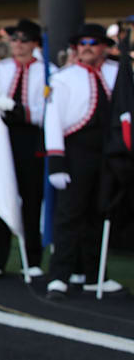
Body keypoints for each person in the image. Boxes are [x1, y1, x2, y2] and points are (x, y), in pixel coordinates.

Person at [44, 23, 124, 299]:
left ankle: (94, 275)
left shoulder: (119, 73)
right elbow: (52, 119)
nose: (87, 46)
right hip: (76, 151)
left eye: (93, 42)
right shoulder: (64, 78)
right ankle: (59, 277)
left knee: (99, 212)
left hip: (110, 151)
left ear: (104, 46)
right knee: (69, 214)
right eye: (82, 42)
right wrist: (56, 159)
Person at [0, 18, 48, 278]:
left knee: (31, 199)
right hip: (4, 136)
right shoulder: (1, 69)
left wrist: (22, 111)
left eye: (23, 40)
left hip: (31, 137)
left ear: (33, 43)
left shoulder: (45, 70)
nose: (17, 45)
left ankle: (32, 259)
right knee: (1, 196)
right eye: (14, 40)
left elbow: (46, 107)